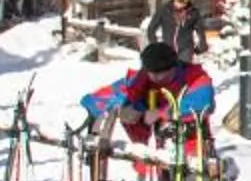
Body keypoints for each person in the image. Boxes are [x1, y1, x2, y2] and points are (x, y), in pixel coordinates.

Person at [80, 39, 218, 148]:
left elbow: (204, 104)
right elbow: (106, 96)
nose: (158, 79)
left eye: (163, 75)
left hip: (191, 143)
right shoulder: (140, 80)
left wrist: (161, 113)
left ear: (174, 67)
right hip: (150, 149)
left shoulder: (195, 77)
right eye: (153, 74)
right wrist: (126, 110)